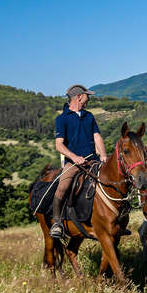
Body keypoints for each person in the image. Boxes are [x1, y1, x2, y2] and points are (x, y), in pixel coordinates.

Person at [49, 84, 108, 238]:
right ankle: (57, 223)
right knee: (62, 187)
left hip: (93, 161)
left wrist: (103, 154)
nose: (89, 99)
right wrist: (74, 157)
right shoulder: (62, 119)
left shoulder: (89, 116)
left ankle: (115, 221)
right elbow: (59, 145)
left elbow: (97, 136)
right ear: (79, 97)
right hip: (74, 163)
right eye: (87, 96)